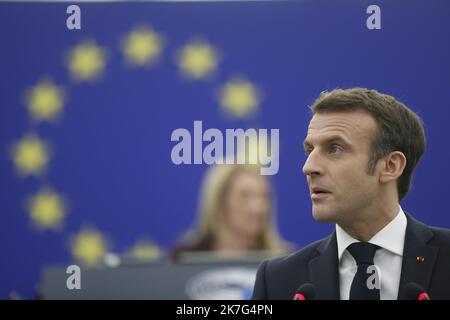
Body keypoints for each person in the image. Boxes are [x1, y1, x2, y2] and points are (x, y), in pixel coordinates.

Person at [252, 88, 450, 300]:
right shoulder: (277, 280)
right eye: (310, 150)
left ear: (391, 166)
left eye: (334, 149)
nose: (308, 167)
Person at [169, 163, 292, 262]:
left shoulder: (286, 261)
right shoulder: (183, 258)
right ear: (219, 202)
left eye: (264, 196)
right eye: (245, 196)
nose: (258, 208)